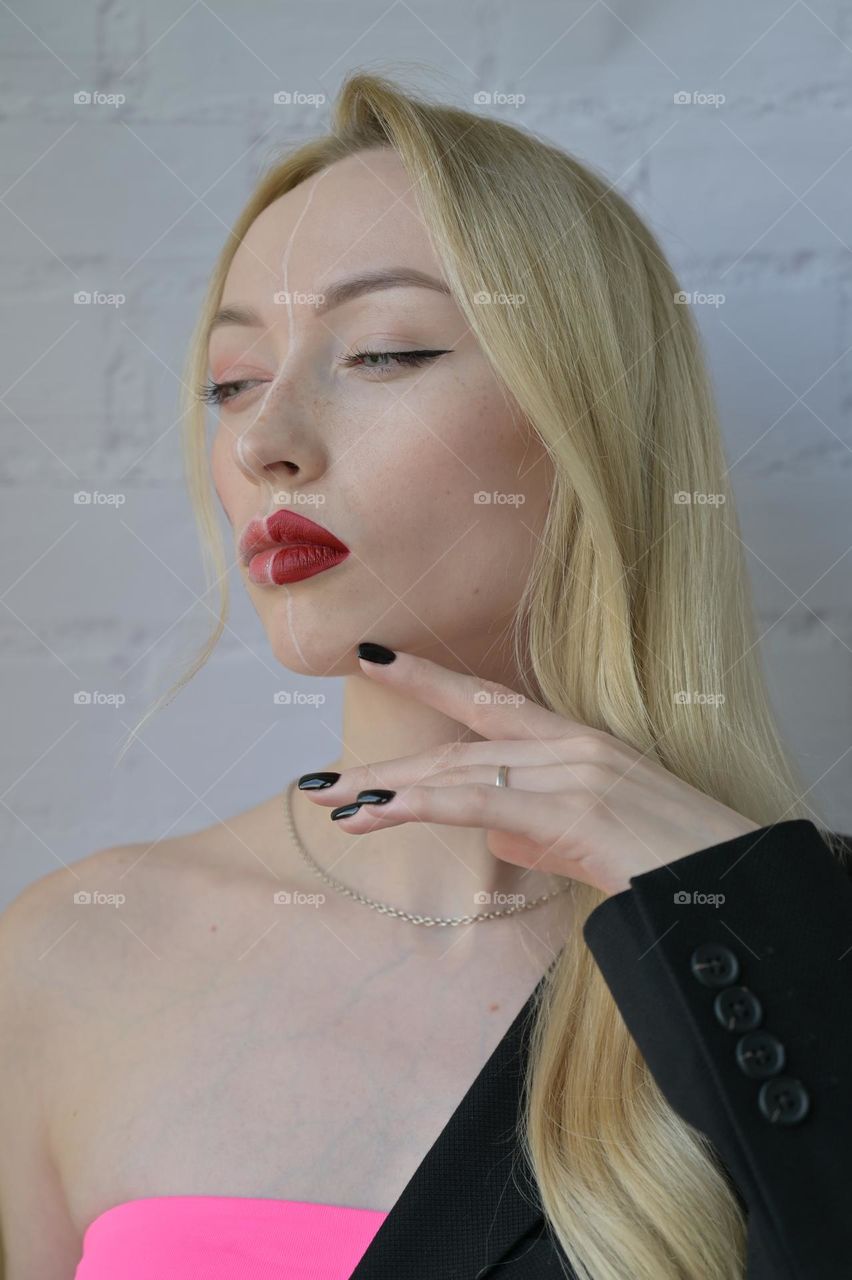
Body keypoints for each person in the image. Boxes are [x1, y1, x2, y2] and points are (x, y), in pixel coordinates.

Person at [1, 70, 850, 1280]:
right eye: (231, 380)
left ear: (587, 422)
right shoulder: (69, 960)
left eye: (385, 352)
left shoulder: (808, 954)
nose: (261, 441)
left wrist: (729, 913)